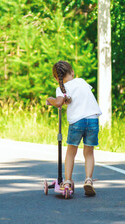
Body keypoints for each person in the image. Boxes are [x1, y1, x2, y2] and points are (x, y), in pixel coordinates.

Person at [46, 60, 102, 196]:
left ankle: (67, 181)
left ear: (56, 78)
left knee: (71, 151)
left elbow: (59, 102)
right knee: (89, 152)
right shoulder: (81, 81)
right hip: (93, 119)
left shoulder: (61, 88)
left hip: (77, 122)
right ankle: (88, 180)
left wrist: (50, 99)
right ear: (72, 72)